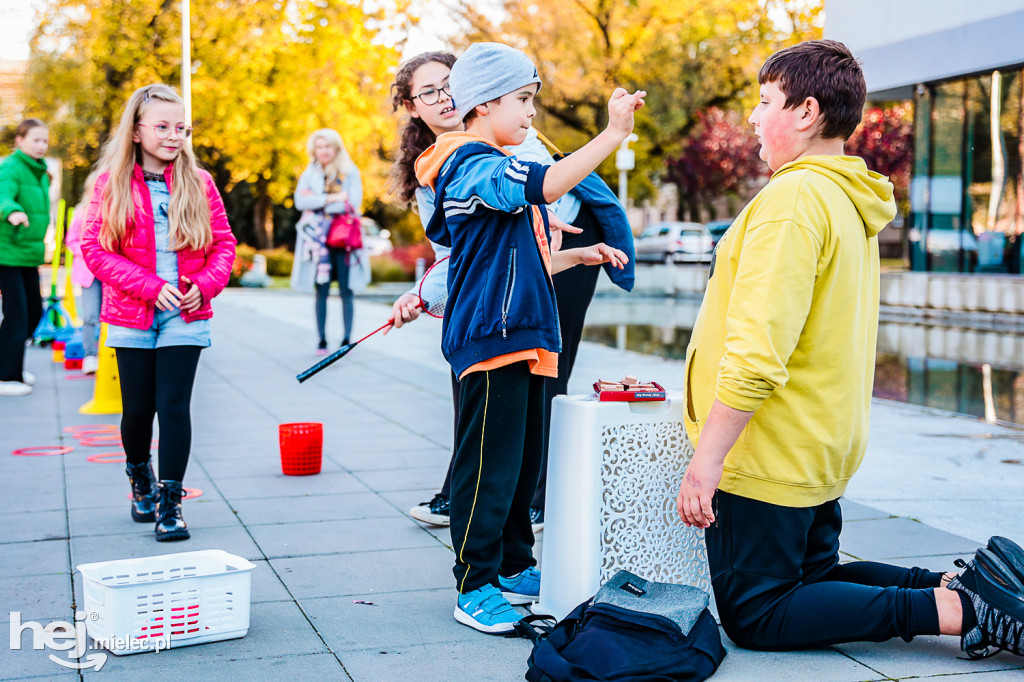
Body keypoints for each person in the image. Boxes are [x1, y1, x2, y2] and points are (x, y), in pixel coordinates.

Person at [675, 39, 1023, 659]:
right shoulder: (844, 196)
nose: (753, 118)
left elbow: (757, 352)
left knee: (758, 612)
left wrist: (708, 460)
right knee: (809, 580)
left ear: (806, 111)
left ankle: (963, 609)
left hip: (772, 449)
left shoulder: (792, 201)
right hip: (819, 438)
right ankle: (965, 587)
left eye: (764, 103)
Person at [415, 41, 641, 634]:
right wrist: (612, 134)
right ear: (486, 103)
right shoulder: (468, 162)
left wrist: (581, 254)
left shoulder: (490, 162)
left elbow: (530, 260)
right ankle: (474, 583)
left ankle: (514, 564)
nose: (530, 114)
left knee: (519, 463)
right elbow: (543, 183)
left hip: (527, 335)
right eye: (523, 100)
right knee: (487, 464)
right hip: (493, 336)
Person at [82, 84, 236, 541]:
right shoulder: (111, 183)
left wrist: (203, 286)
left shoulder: (199, 182)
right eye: (163, 126)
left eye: (181, 127)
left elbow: (224, 244)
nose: (174, 135)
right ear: (135, 131)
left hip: (185, 316)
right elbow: (95, 249)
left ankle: (171, 503)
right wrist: (151, 287)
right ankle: (139, 478)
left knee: (173, 407)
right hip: (131, 313)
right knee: (137, 410)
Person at [291, 129, 363, 354]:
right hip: (317, 240)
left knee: (346, 288)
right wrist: (331, 198)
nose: (323, 151)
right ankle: (321, 339)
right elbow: (300, 202)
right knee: (320, 288)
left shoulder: (350, 172)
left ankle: (346, 338)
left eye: (327, 146)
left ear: (336, 148)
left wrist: (317, 202)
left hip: (343, 237)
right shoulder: (309, 173)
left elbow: (352, 202)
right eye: (319, 147)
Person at [0, 118, 50, 396]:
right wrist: (12, 211)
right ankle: (7, 376)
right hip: (7, 253)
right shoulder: (10, 167)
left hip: (28, 254)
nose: (42, 146)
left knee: (33, 313)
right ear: (20, 141)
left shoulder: (39, 172)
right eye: (36, 140)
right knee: (17, 316)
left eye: (45, 141)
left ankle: (8, 364)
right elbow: (2, 196)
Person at [65, 170, 101, 375]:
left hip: (110, 273)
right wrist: (89, 253)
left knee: (110, 316)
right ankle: (90, 356)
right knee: (90, 316)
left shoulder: (115, 212)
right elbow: (71, 241)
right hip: (88, 274)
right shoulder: (82, 212)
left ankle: (109, 353)